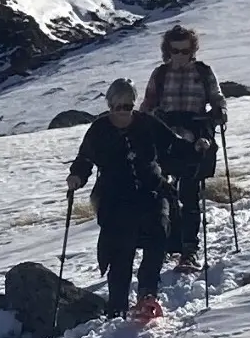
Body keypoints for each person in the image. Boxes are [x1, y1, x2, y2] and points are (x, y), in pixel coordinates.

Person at [69, 78, 181, 322]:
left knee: (158, 233)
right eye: (117, 107)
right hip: (115, 197)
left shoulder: (147, 123)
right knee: (120, 248)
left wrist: (196, 149)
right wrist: (77, 176)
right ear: (109, 105)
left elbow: (173, 145)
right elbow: (84, 159)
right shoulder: (99, 130)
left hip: (151, 190)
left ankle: (147, 295)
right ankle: (117, 306)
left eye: (127, 106)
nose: (122, 112)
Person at [139, 24, 227, 272]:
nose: (179, 56)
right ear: (167, 50)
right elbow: (148, 103)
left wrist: (220, 113)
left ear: (192, 50)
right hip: (165, 136)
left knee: (189, 195)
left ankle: (189, 250)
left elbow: (217, 99)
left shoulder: (204, 72)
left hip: (195, 137)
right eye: (174, 51)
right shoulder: (160, 74)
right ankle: (170, 244)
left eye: (184, 51)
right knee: (165, 194)